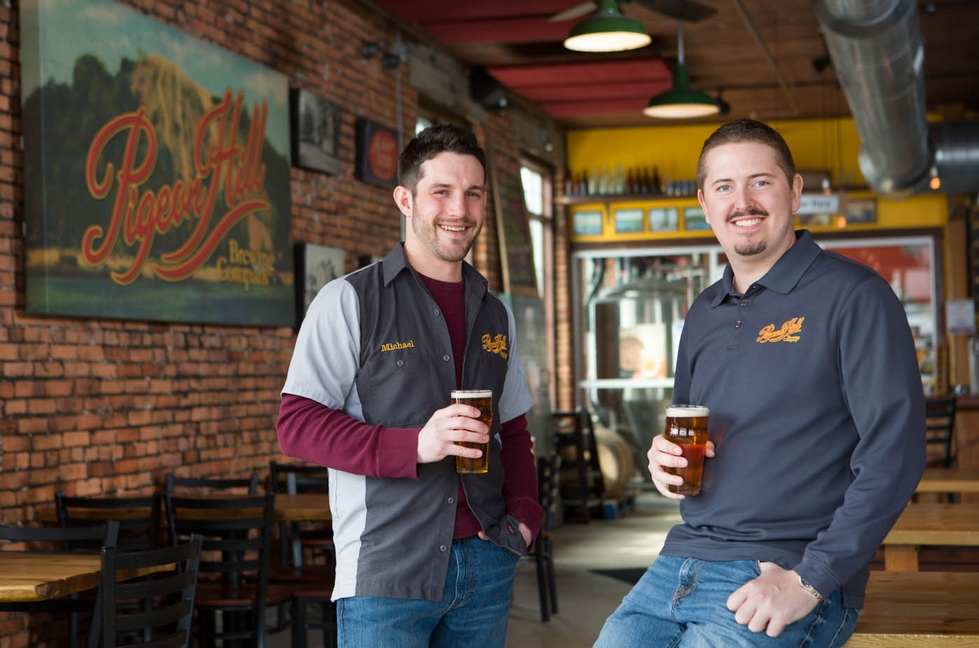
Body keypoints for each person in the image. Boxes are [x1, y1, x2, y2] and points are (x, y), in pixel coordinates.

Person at [595, 119, 925, 647]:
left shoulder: (855, 295)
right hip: (678, 564)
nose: (742, 201)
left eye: (760, 182)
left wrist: (810, 580)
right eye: (724, 187)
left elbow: (896, 453)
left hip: (784, 572)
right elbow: (695, 438)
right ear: (705, 203)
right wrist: (666, 462)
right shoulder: (704, 311)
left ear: (794, 191)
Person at [277, 123, 541, 647]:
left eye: (473, 194)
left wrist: (527, 516)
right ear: (405, 199)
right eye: (441, 192)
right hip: (387, 572)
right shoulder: (348, 300)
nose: (459, 210)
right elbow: (297, 425)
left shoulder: (495, 314)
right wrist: (415, 444)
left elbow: (513, 430)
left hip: (487, 562)